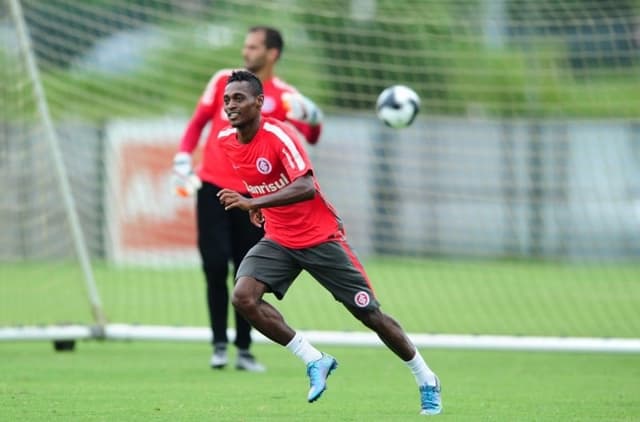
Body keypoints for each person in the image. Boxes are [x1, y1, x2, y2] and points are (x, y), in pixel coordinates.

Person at [216, 70, 442, 415]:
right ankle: (314, 359)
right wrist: (258, 205)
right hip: (278, 239)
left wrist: (254, 203)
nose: (231, 105)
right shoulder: (226, 140)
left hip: (320, 239)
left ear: (259, 102)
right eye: (227, 99)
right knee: (243, 298)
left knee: (370, 314)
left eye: (239, 98)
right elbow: (264, 182)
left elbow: (305, 186)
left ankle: (426, 378)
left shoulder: (279, 134)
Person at [172, 26, 323, 372]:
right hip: (212, 188)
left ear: (272, 54)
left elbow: (313, 135)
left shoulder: (284, 96)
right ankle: (218, 344)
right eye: (245, 45)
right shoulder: (225, 83)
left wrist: (312, 114)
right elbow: (197, 123)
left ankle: (244, 349)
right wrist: (183, 156)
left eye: (253, 47)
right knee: (213, 265)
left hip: (256, 197)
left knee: (246, 272)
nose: (246, 52)